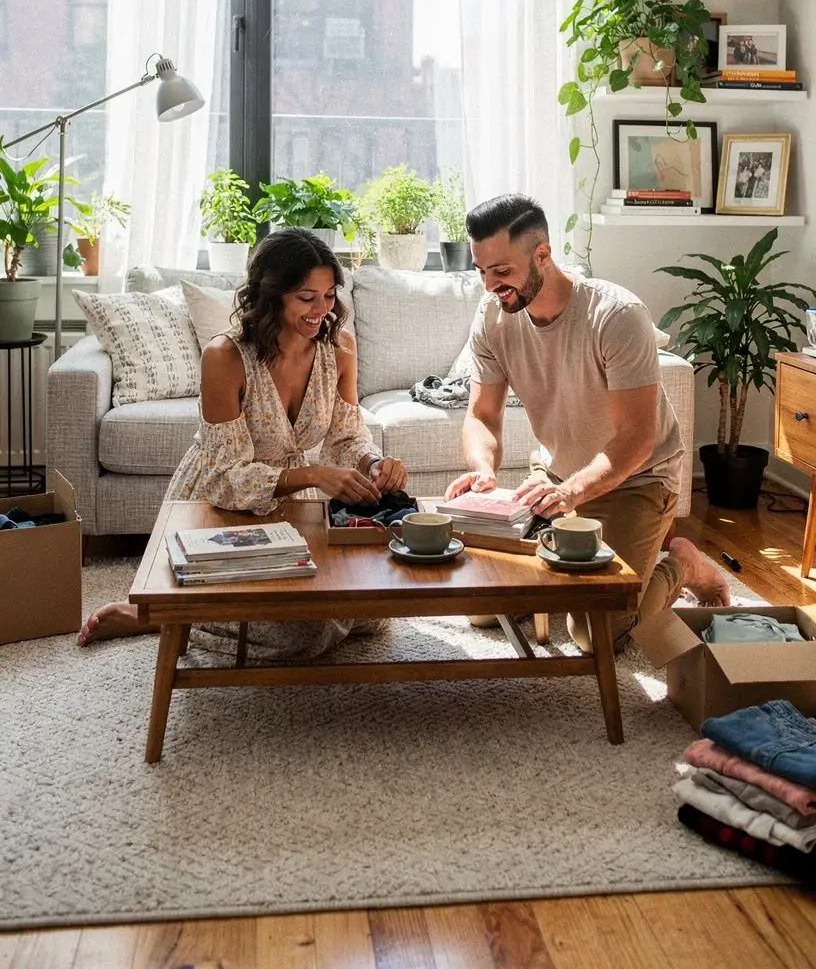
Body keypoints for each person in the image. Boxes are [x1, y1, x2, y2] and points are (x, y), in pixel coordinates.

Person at [78, 228, 408, 654]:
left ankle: (176, 612)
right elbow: (226, 478)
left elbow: (347, 435)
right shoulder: (225, 356)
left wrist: (372, 463)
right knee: (301, 634)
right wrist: (313, 475)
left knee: (372, 613)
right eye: (306, 297)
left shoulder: (340, 347)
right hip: (220, 505)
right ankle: (157, 614)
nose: (322, 310)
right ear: (271, 295)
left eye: (329, 296)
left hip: (290, 506)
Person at [445, 194, 728, 652]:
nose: (489, 286)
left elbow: (637, 437)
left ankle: (682, 564)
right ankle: (563, 577)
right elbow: (481, 414)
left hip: (636, 479)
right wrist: (482, 469)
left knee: (599, 636)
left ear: (542, 254)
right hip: (555, 476)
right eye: (481, 271)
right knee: (483, 608)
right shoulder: (493, 315)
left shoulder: (616, 315)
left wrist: (572, 493)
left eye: (501, 272)